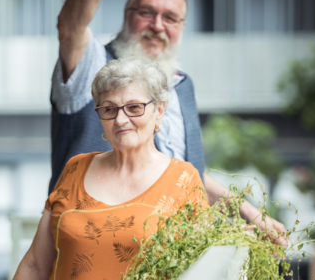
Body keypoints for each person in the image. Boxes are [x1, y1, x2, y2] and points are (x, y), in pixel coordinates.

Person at [49, 0, 287, 245]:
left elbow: (190, 177)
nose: (157, 26)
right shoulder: (95, 64)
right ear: (126, 15)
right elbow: (70, 27)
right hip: (93, 247)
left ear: (182, 27)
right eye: (146, 12)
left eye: (170, 18)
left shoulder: (180, 84)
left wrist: (252, 214)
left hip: (167, 254)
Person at [15, 58, 209, 280]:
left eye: (134, 107)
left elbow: (202, 267)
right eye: (109, 109)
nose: (120, 120)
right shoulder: (75, 168)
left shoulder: (184, 179)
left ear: (159, 111)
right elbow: (35, 266)